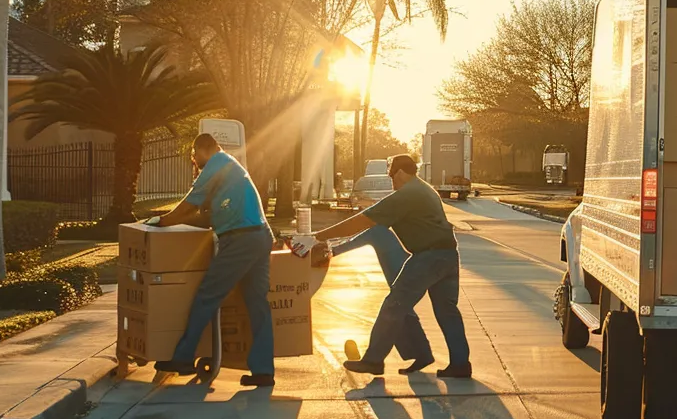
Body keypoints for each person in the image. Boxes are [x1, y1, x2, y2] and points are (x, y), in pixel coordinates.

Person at [306, 154, 470, 379]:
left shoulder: (408, 194)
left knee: (394, 305)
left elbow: (363, 221)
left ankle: (373, 360)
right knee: (447, 311)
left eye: (391, 175)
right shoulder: (425, 189)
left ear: (400, 173)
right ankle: (461, 364)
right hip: (448, 255)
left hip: (428, 258)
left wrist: (318, 236)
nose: (391, 181)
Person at [148, 134, 276, 386]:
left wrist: (159, 222)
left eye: (194, 157)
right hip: (260, 236)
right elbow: (205, 215)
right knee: (257, 304)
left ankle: (183, 357)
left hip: (241, 241)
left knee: (207, 295)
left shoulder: (216, 163)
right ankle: (263, 371)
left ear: (201, 150)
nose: (194, 163)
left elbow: (188, 207)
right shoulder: (230, 167)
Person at [330, 224, 437, 373]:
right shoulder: (385, 232)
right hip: (415, 268)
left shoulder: (379, 231)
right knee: (402, 310)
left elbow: (360, 237)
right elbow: (354, 236)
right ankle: (422, 353)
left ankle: (373, 361)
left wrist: (331, 252)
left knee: (391, 311)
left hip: (411, 272)